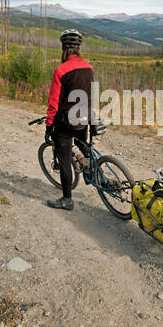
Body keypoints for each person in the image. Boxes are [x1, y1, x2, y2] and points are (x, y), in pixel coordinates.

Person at [45, 29, 93, 211]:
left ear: (63, 48)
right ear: (79, 48)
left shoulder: (61, 70)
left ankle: (67, 199)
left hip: (66, 122)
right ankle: (90, 172)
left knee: (64, 158)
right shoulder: (89, 67)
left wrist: (49, 125)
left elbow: (53, 103)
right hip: (84, 118)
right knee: (83, 146)